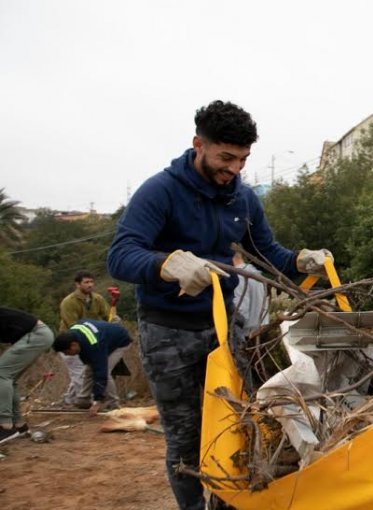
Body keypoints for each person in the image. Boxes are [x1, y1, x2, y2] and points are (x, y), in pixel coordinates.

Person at [106, 99, 332, 510]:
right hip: (168, 332)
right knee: (186, 438)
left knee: (239, 426)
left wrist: (300, 260)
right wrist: (166, 263)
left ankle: (229, 503)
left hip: (225, 329)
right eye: (225, 157)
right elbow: (120, 255)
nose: (234, 169)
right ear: (199, 144)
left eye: (243, 159)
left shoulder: (242, 199)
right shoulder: (161, 191)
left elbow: (268, 254)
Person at [52, 319, 132, 416]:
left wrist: (97, 401)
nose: (67, 354)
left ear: (73, 345)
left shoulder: (94, 345)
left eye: (66, 352)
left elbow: (100, 372)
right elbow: (89, 365)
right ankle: (83, 399)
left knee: (105, 371)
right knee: (89, 369)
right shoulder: (74, 336)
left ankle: (112, 403)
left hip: (120, 341)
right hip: (103, 339)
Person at [0, 307, 54, 443]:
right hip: (38, 335)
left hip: (35, 335)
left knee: (2, 374)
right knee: (8, 378)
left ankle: (5, 426)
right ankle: (19, 426)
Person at [58, 270, 111, 408]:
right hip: (71, 343)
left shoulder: (97, 299)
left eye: (91, 282)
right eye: (86, 282)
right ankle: (85, 403)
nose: (90, 285)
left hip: (91, 341)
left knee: (85, 372)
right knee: (80, 373)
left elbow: (107, 316)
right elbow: (72, 326)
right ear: (77, 284)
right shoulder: (68, 302)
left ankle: (70, 400)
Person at [232, 252, 269, 332]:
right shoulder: (255, 272)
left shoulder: (238, 275)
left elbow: (240, 310)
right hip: (259, 330)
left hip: (244, 333)